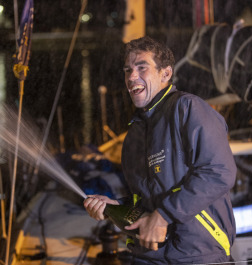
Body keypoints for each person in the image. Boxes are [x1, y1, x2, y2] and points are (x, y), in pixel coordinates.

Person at [84, 36, 237, 264]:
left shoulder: (187, 109)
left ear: (165, 74)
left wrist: (163, 216)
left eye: (141, 67)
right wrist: (116, 207)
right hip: (147, 256)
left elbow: (219, 172)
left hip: (197, 256)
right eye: (127, 70)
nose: (131, 76)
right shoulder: (134, 132)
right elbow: (147, 199)